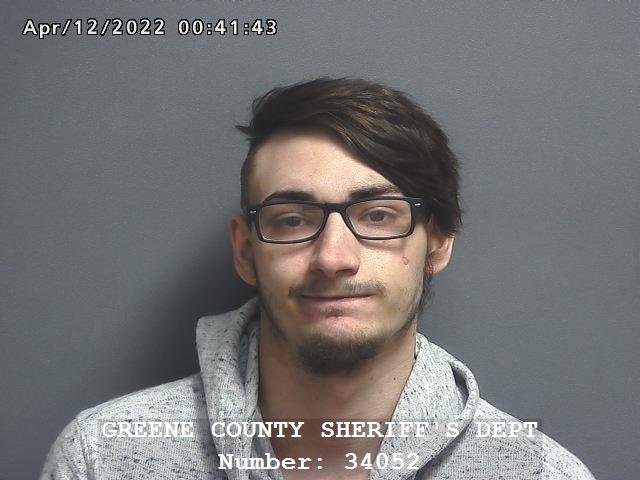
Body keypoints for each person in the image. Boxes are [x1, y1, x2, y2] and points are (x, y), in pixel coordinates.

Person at [41, 78, 596, 479]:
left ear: (438, 243)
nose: (333, 257)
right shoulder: (103, 459)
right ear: (245, 250)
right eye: (293, 219)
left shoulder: (541, 474)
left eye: (378, 215)